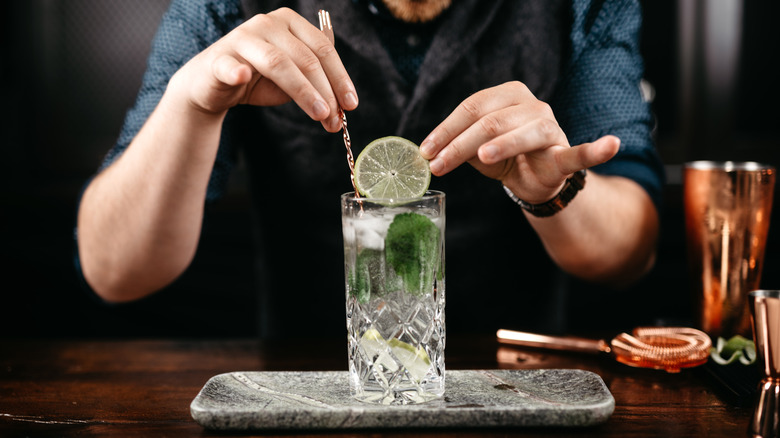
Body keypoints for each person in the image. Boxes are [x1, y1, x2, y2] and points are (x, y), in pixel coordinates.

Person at [74, 0, 664, 337]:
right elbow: (114, 270)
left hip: (519, 392)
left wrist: (554, 194)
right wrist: (192, 104)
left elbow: (631, 252)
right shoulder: (225, 5)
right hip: (301, 395)